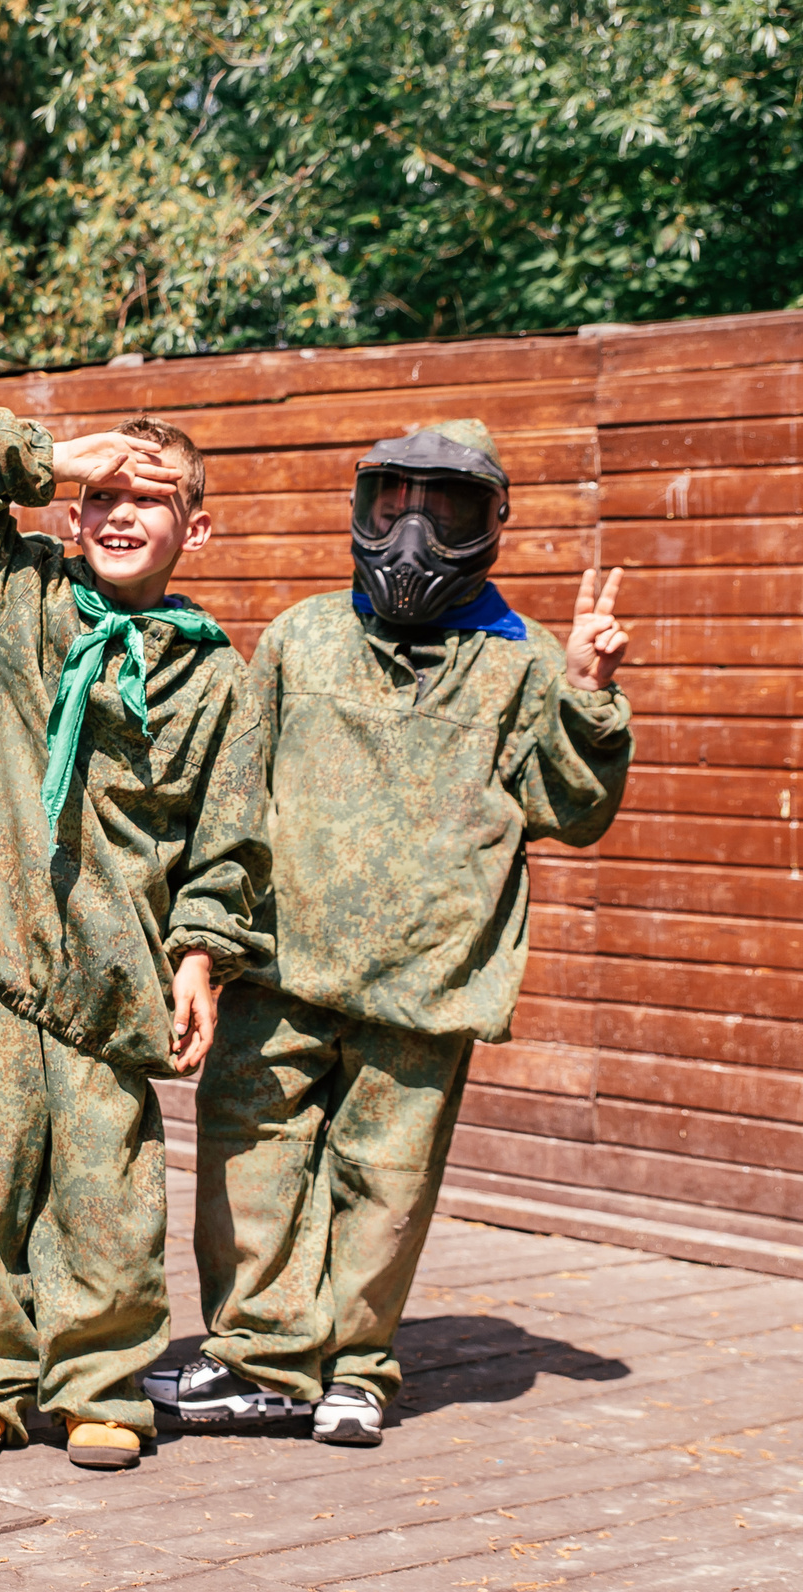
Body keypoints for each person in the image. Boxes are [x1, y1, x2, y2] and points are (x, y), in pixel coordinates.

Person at [148, 420, 632, 1447]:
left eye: (444, 511)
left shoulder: (525, 663)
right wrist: (202, 938)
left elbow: (572, 810)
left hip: (425, 980)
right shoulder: (301, 637)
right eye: (390, 505)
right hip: (280, 965)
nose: (412, 536)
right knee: (249, 1160)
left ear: (487, 526)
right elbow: (233, 805)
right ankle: (258, 1359)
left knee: (386, 1183)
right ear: (359, 511)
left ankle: (354, 1370)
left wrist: (588, 696)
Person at [0, 408, 271, 1472]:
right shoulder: (5, 597)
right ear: (68, 513)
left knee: (108, 1194)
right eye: (101, 495)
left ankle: (100, 1380)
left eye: (148, 498)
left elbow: (227, 838)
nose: (118, 514)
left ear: (195, 532)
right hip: (2, 966)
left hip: (116, 982)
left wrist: (199, 953)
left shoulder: (215, 679)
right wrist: (46, 456)